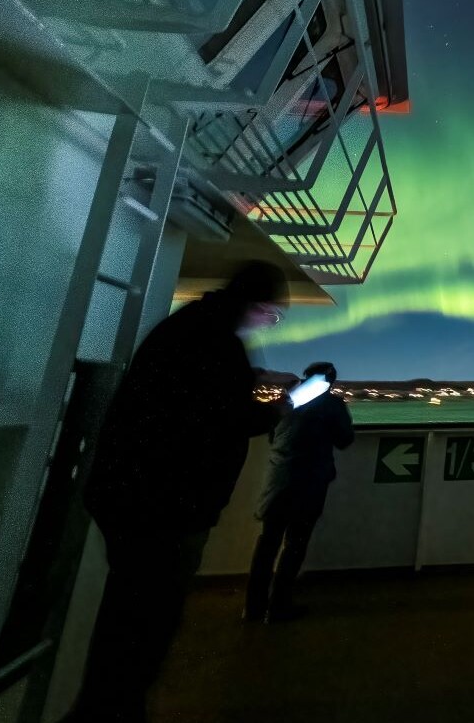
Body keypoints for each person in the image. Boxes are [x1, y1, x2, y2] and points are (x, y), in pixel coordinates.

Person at [73, 261, 290, 723]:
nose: (269, 323)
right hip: (165, 507)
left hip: (134, 496)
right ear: (255, 304)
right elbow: (222, 420)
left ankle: (105, 707)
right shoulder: (217, 342)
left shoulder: (189, 327)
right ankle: (112, 711)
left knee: (128, 612)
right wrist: (278, 410)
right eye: (272, 315)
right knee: (146, 619)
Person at [245, 360, 355, 622]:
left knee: (267, 543)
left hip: (278, 480)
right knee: (295, 544)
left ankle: (253, 608)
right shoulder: (332, 405)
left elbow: (273, 436)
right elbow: (344, 440)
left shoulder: (285, 401)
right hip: (310, 483)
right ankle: (279, 606)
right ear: (329, 382)